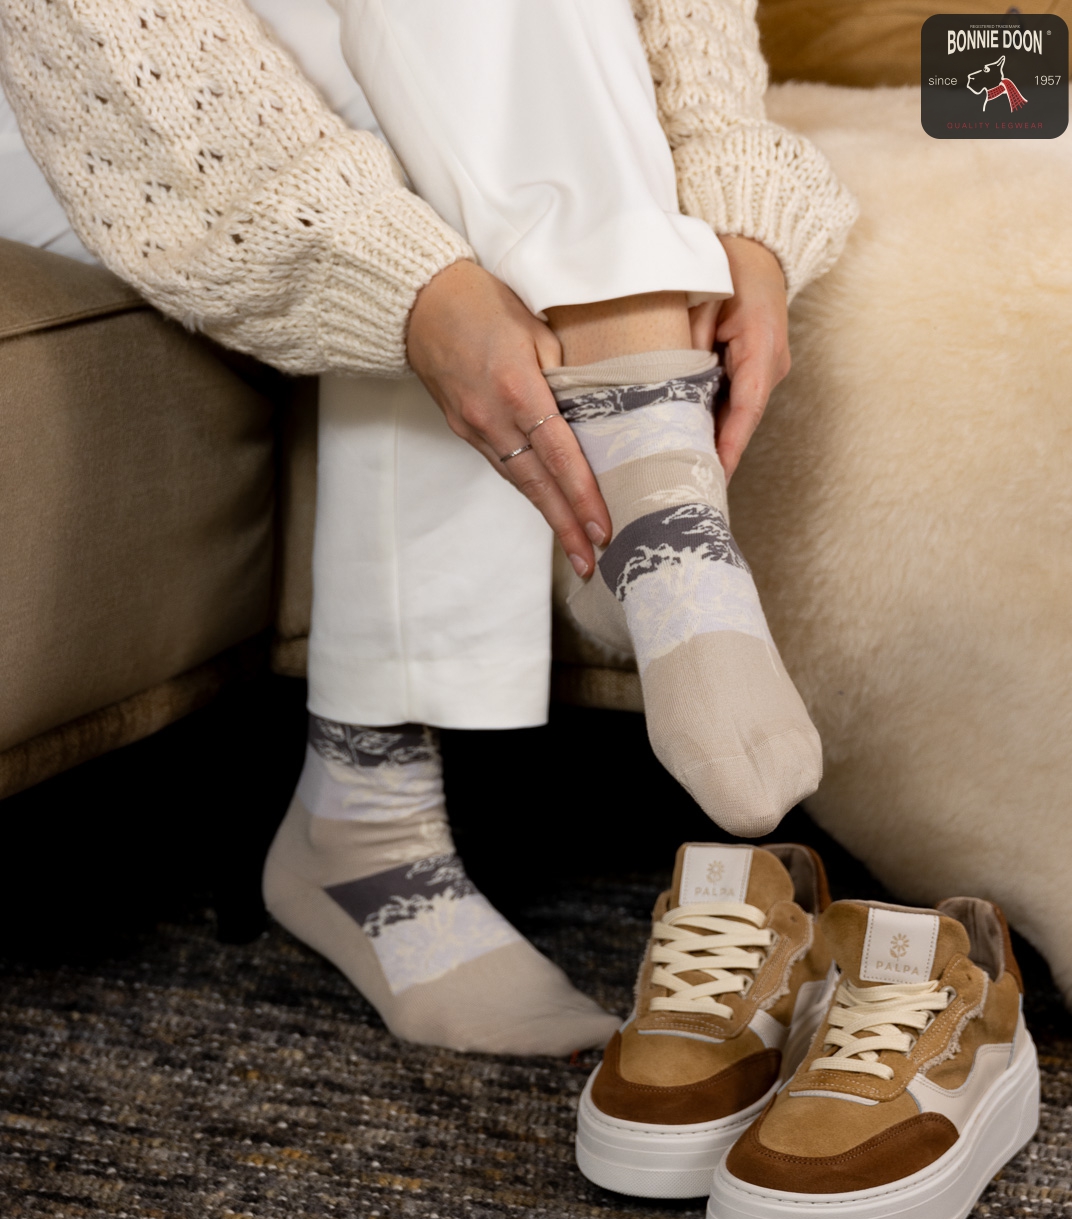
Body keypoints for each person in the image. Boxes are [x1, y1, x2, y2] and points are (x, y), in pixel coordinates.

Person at [0, 0, 856, 1055]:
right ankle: (659, 505)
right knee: (437, 183)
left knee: (460, 111)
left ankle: (385, 793)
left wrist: (741, 215)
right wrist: (408, 281)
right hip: (94, 100)